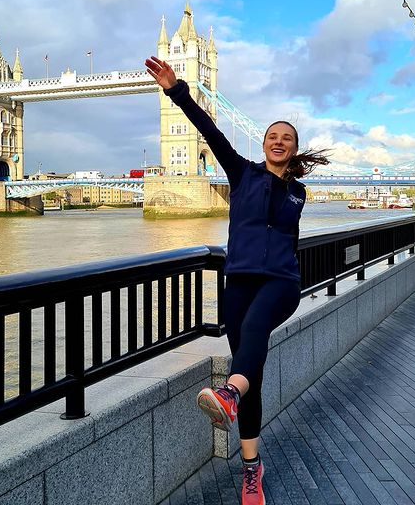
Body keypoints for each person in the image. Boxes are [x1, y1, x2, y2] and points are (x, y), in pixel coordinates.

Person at [145, 55, 328, 505]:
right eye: (272, 136)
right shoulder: (241, 172)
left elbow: (283, 231)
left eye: (286, 138)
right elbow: (209, 130)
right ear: (263, 143)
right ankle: (252, 469)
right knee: (253, 375)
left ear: (294, 148)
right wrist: (176, 89)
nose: (278, 142)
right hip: (239, 281)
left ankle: (227, 392)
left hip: (282, 281)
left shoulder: (298, 191)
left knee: (254, 332)